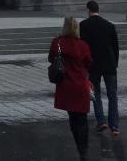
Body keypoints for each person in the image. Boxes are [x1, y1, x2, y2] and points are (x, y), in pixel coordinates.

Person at [49, 16, 92, 161]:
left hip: (65, 85)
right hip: (80, 85)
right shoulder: (83, 45)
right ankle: (83, 150)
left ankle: (79, 145)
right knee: (83, 118)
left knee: (73, 118)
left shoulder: (57, 42)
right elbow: (88, 63)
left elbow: (51, 58)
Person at [80, 0, 120, 136]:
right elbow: (116, 47)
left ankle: (101, 121)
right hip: (109, 65)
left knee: (95, 94)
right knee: (112, 95)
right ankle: (114, 126)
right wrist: (115, 63)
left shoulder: (83, 25)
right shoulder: (109, 25)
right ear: (98, 10)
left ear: (88, 10)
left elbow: (83, 48)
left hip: (93, 65)